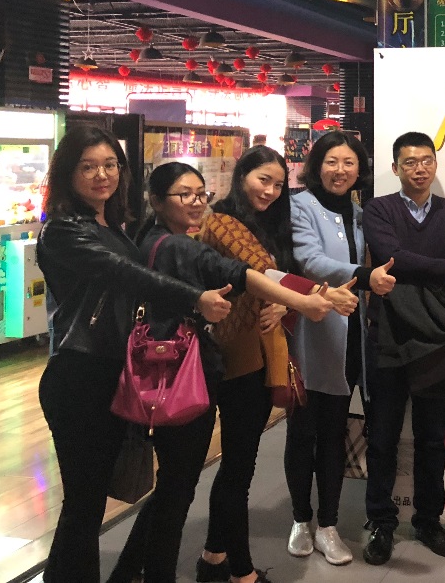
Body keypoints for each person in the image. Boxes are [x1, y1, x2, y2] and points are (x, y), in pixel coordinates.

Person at [105, 162, 344, 583]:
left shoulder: (174, 237)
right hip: (194, 369)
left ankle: (188, 563)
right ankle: (217, 569)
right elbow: (247, 271)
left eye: (200, 193)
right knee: (187, 485)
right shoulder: (196, 237)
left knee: (181, 485)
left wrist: (288, 300)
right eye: (185, 194)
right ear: (157, 200)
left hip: (204, 364)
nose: (196, 202)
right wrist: (306, 298)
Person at [36, 126, 233, 583]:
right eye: (88, 166)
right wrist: (195, 297)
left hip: (110, 372)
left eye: (110, 164)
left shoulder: (111, 224)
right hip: (78, 373)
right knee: (84, 502)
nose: (101, 175)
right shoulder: (63, 230)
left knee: (88, 502)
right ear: (68, 173)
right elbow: (124, 274)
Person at [196, 146, 356, 583]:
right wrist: (319, 296)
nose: (269, 191)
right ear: (241, 176)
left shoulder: (266, 223)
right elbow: (262, 272)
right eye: (262, 180)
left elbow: (272, 283)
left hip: (262, 352)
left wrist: (284, 305)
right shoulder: (223, 222)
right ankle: (242, 571)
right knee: (238, 467)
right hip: (234, 355)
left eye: (278, 184)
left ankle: (213, 557)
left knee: (240, 464)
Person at [360, 131, 445, 566]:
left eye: (426, 160)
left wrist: (425, 274)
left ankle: (428, 520)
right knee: (383, 438)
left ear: (435, 164)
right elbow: (392, 257)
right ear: (395, 168)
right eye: (409, 162)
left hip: (436, 341)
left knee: (432, 440)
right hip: (388, 337)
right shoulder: (379, 209)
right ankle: (381, 522)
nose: (419, 168)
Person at [285, 131, 396, 565]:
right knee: (302, 432)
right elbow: (309, 260)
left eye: (349, 162)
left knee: (334, 433)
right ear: (317, 165)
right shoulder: (300, 206)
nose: (340, 170)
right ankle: (300, 519)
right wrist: (365, 276)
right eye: (331, 161)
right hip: (310, 335)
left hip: (350, 339)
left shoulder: (360, 214)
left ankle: (328, 525)